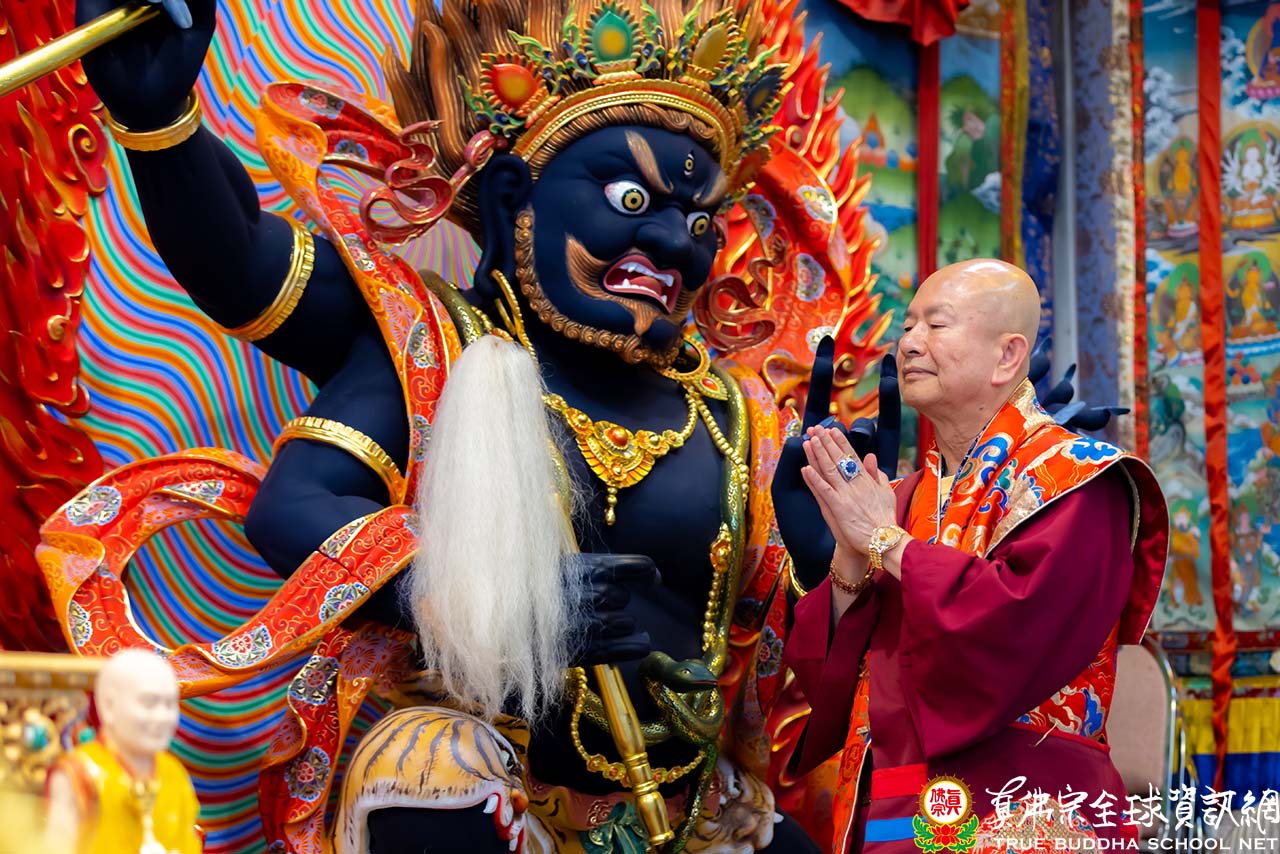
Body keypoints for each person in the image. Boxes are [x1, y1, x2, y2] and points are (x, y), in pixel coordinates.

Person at [774, 259, 1169, 853]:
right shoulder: (901, 498)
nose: (910, 343)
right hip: (901, 804)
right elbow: (840, 682)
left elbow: (1014, 630)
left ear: (1008, 356)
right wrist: (841, 561)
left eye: (936, 325)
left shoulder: (1079, 482)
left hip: (1025, 808)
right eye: (908, 326)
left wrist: (885, 541)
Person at [45, 649, 202, 854]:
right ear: (109, 706)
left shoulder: (174, 773)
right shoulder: (79, 773)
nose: (162, 717)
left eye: (170, 704)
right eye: (149, 703)